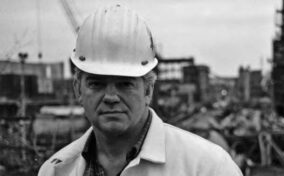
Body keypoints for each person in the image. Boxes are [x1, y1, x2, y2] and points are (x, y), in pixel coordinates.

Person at [38, 4, 243, 176]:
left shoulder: (208, 168)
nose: (110, 97)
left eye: (125, 84)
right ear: (78, 90)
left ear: (148, 90)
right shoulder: (55, 170)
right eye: (96, 84)